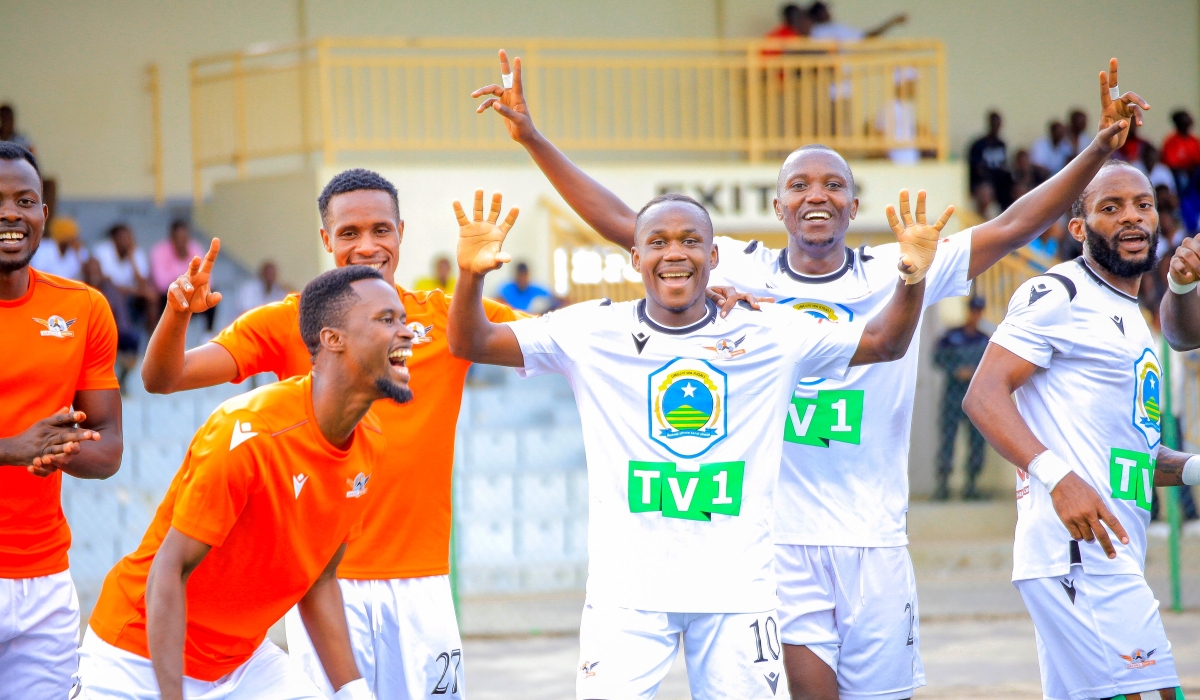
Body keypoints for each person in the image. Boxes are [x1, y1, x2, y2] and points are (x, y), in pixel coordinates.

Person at [473, 52, 1147, 700]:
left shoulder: (897, 267)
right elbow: (627, 224)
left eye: (833, 186)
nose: (815, 196)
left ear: (855, 207)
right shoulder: (737, 270)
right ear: (778, 207)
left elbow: (1014, 224)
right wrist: (532, 138)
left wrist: (1098, 150)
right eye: (798, 185)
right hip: (779, 542)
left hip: (875, 536)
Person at [447, 188, 944, 700]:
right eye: (657, 241)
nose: (674, 252)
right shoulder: (591, 331)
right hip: (627, 595)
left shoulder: (773, 333)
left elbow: (886, 343)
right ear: (636, 257)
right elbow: (470, 342)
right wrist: (470, 275)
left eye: (690, 240)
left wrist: (910, 277)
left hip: (738, 593)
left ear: (713, 257)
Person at [138, 169, 527, 700]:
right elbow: (164, 378)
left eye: (380, 230)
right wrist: (178, 312)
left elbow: (563, 344)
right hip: (322, 589)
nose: (366, 246)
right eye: (348, 233)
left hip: (423, 583)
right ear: (326, 240)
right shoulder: (293, 320)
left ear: (401, 232)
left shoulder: (449, 321)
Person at [79, 265, 411, 700]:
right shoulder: (248, 433)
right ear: (333, 339)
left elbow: (320, 578)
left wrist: (354, 691)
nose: (407, 332)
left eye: (404, 319)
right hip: (137, 658)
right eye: (387, 319)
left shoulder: (370, 444)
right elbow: (169, 570)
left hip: (242, 663)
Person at [964, 160, 1191, 700]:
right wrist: (1057, 477)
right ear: (1078, 227)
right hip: (1079, 554)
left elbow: (1132, 456)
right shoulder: (1061, 292)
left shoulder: (1132, 315)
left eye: (1143, 204)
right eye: (1110, 208)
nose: (1131, 217)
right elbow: (983, 395)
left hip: (1107, 555)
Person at [0, 142, 123, 698]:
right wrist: (12, 448)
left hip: (45, 581)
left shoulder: (83, 309)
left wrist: (58, 451)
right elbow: (19, 446)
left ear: (43, 215)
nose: (10, 213)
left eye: (25, 200)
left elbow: (109, 448)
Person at [933, 296, 989, 500]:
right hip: (952, 396)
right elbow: (937, 359)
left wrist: (973, 373)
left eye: (979, 311)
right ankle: (943, 484)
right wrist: (956, 370)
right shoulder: (951, 336)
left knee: (976, 441)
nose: (976, 315)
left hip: (976, 398)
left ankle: (972, 485)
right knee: (947, 439)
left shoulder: (985, 339)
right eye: (973, 311)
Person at [93, 222, 155, 332]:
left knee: (151, 297)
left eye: (129, 237)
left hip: (132, 295)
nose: (128, 241)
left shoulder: (135, 252)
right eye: (124, 238)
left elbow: (143, 284)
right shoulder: (103, 251)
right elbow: (107, 283)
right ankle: (124, 334)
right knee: (115, 294)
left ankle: (153, 338)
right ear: (114, 239)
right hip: (108, 294)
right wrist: (134, 290)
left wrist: (132, 259)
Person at [151, 220, 211, 331]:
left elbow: (206, 278)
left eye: (185, 238)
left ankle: (207, 334)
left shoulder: (195, 249)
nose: (183, 242)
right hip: (169, 295)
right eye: (179, 238)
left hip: (191, 293)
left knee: (211, 295)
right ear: (172, 238)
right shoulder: (160, 251)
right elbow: (161, 283)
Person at [1162, 110, 1200, 233]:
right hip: (1179, 176)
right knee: (1181, 178)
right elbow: (1171, 163)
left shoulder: (1194, 140)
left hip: (1193, 175)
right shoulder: (1171, 141)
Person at [968, 111, 1014, 209]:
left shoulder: (1001, 144)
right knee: (985, 193)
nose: (996, 126)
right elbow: (977, 169)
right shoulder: (978, 145)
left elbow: (1004, 166)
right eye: (994, 123)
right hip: (983, 181)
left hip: (999, 182)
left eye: (998, 124)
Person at [30, 215, 89, 281]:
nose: (72, 239)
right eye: (68, 236)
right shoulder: (44, 247)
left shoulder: (79, 250)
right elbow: (37, 271)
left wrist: (77, 254)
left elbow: (86, 275)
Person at [808, 2, 907, 40]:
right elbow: (866, 37)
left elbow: (865, 37)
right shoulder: (819, 31)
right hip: (834, 80)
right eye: (825, 10)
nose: (829, 12)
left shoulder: (834, 27)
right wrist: (891, 22)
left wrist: (891, 22)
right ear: (819, 14)